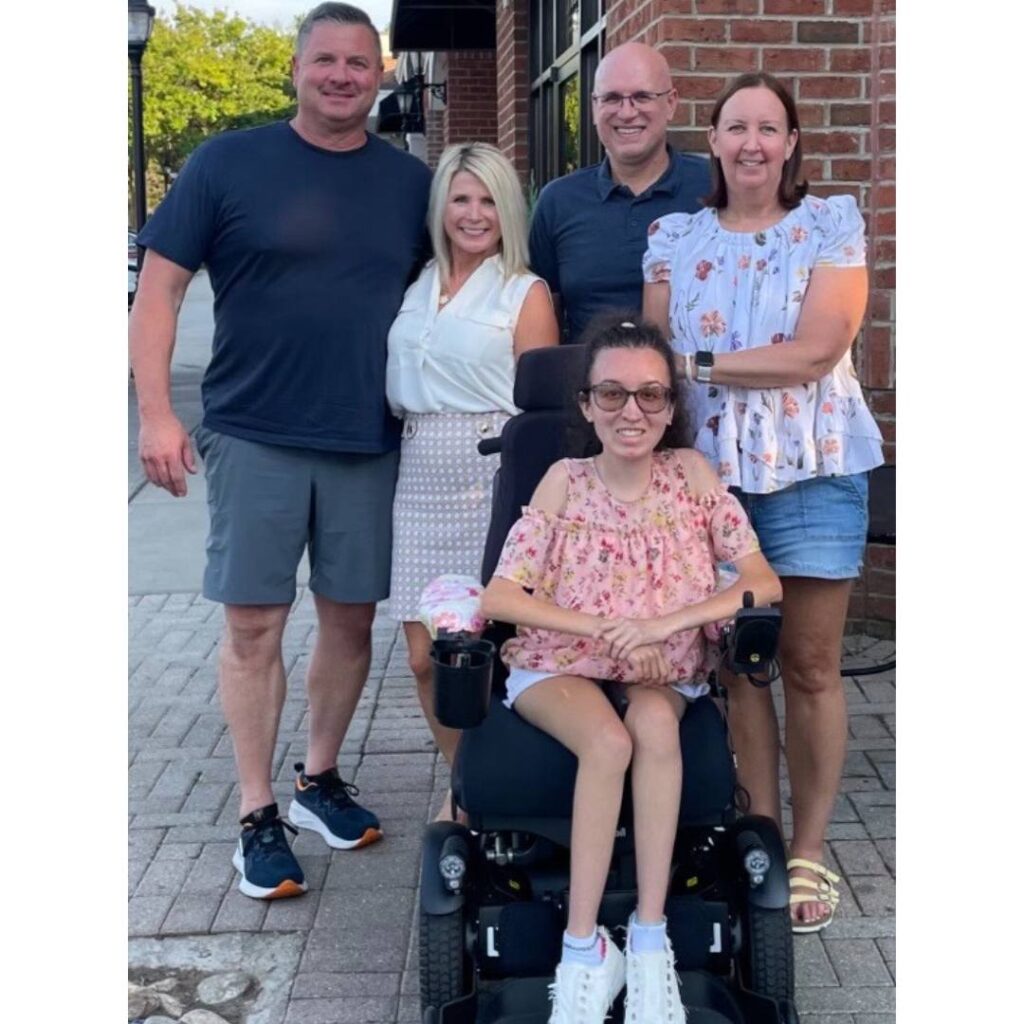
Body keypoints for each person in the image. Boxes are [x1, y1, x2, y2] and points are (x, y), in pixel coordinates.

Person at [129, 3, 432, 900]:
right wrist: (154, 413)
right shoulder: (229, 164)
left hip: (368, 437)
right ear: (296, 69)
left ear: (380, 75)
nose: (342, 76)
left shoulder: (409, 184)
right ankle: (256, 814)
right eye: (326, 60)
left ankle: (317, 780)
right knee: (253, 625)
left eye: (359, 63)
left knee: (349, 621)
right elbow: (160, 290)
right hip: (255, 433)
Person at [481, 319, 781, 1024]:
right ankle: (584, 950)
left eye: (650, 396)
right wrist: (611, 634)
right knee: (608, 741)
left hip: (661, 663)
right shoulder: (564, 481)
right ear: (585, 404)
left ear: (672, 407)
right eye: (611, 394)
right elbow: (500, 595)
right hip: (561, 660)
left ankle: (648, 941)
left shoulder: (693, 477)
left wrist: (662, 626)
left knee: (653, 723)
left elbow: (762, 584)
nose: (631, 412)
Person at [642, 71, 885, 934]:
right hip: (714, 480)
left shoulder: (830, 223)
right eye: (735, 126)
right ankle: (761, 836)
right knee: (743, 666)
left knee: (812, 665)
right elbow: (649, 371)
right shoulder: (672, 236)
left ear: (790, 144)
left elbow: (817, 351)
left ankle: (811, 847)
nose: (751, 143)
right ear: (712, 140)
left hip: (813, 470)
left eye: (768, 128)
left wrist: (700, 365)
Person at [385, 142, 559, 819]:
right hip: (419, 472)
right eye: (461, 198)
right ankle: (471, 786)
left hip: (492, 475)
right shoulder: (417, 283)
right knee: (426, 656)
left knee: (495, 652)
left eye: (488, 199)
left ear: (508, 209)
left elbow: (542, 411)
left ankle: (499, 792)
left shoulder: (524, 291)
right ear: (441, 208)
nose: (474, 213)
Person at [529, 42, 710, 342]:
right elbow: (543, 325)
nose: (627, 112)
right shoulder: (558, 203)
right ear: (594, 107)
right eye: (612, 98)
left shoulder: (716, 190)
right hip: (589, 384)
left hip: (697, 385)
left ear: (671, 103)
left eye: (642, 96)